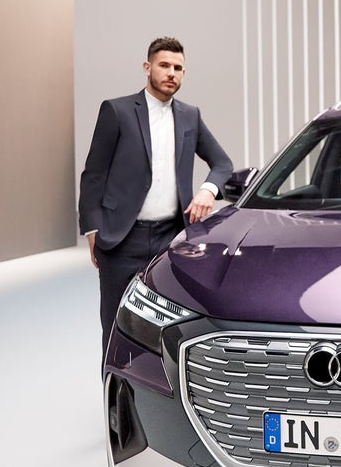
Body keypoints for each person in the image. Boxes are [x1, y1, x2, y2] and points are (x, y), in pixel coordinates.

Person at [79, 37, 233, 360]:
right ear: (147, 68)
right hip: (122, 240)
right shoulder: (117, 111)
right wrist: (92, 230)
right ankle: (116, 404)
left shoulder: (190, 116)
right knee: (116, 329)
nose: (171, 73)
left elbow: (222, 164)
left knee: (167, 328)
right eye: (164, 65)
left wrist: (208, 190)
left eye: (178, 68)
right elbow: (93, 175)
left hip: (170, 241)